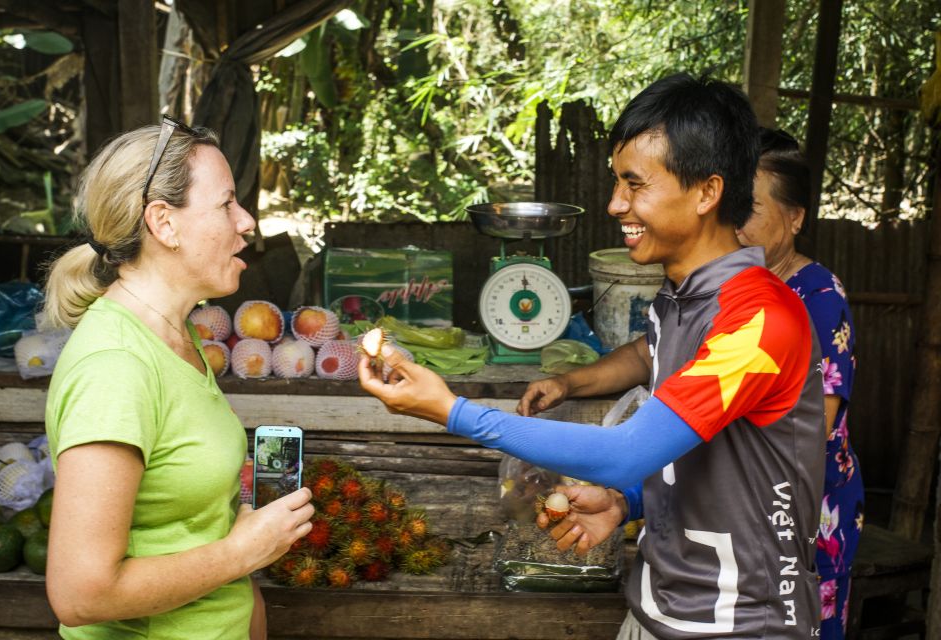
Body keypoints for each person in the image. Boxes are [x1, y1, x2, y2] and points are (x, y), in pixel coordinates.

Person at [360, 73, 826, 639]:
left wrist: (453, 411)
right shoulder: (676, 304)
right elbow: (701, 454)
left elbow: (627, 451)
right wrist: (625, 503)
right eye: (617, 183)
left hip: (744, 625)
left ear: (707, 191)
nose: (614, 204)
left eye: (635, 185)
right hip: (656, 610)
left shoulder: (760, 319)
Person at [42, 116, 315, 639]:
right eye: (227, 203)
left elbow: (202, 533)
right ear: (163, 224)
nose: (248, 220)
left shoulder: (177, 336)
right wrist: (242, 552)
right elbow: (80, 594)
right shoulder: (115, 368)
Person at [737, 127, 863, 640]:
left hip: (808, 512)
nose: (733, 226)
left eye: (749, 210)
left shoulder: (819, 298)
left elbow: (812, 427)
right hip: (753, 505)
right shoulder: (740, 284)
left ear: (794, 218)